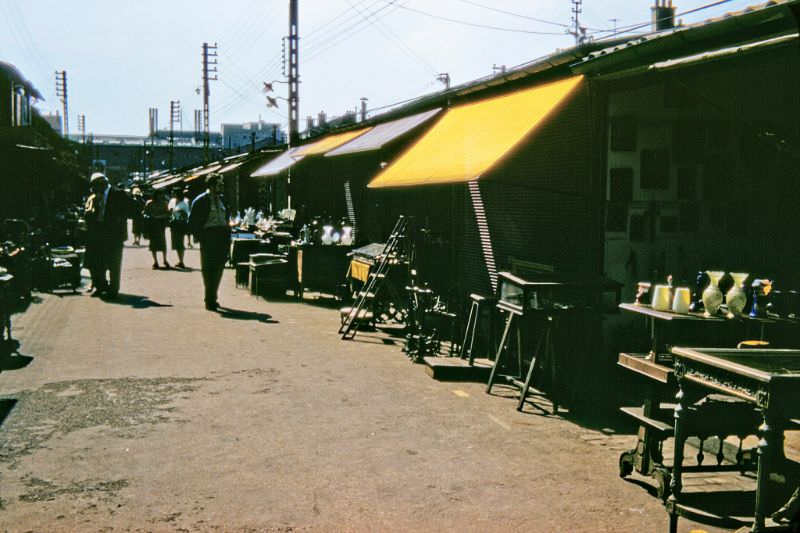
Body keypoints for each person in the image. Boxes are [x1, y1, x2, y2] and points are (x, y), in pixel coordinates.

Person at [83, 172, 135, 299]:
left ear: (102, 184)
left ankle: (113, 290)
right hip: (98, 235)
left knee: (114, 264)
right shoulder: (94, 197)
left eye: (95, 186)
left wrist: (120, 218)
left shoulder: (119, 194)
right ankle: (100, 287)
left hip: (114, 236)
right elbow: (89, 215)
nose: (93, 189)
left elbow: (133, 208)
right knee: (97, 263)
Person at [188, 173, 230, 311]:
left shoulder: (222, 199)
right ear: (211, 185)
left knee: (219, 267)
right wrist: (198, 236)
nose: (222, 187)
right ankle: (209, 298)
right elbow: (192, 221)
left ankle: (213, 296)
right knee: (208, 268)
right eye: (219, 185)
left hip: (221, 236)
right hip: (208, 236)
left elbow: (227, 217)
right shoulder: (200, 200)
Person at [143, 191, 170, 269]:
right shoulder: (149, 203)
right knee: (153, 244)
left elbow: (167, 214)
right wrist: (149, 216)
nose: (160, 196)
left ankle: (164, 260)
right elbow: (145, 213)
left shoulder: (164, 203)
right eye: (159, 195)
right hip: (152, 225)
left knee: (162, 243)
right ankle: (156, 261)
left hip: (160, 225)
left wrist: (158, 217)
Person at [168, 189, 189, 268]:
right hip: (173, 223)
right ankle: (180, 260)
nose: (172, 194)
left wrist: (181, 212)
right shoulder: (172, 201)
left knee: (180, 242)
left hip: (181, 223)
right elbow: (169, 211)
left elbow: (187, 214)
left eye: (173, 193)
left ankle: (181, 261)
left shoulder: (184, 203)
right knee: (175, 242)